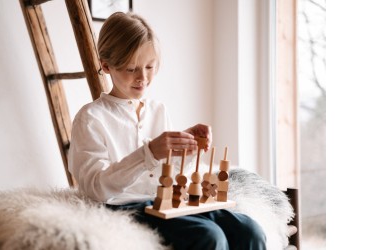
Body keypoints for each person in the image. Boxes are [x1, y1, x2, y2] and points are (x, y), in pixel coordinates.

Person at [68, 12, 266, 250]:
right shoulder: (90, 118)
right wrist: (148, 153)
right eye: (132, 69)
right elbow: (95, 188)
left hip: (166, 202)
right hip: (123, 207)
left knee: (250, 230)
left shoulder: (157, 110)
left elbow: (168, 174)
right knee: (209, 237)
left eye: (150, 67)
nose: (143, 77)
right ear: (106, 66)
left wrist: (188, 145)